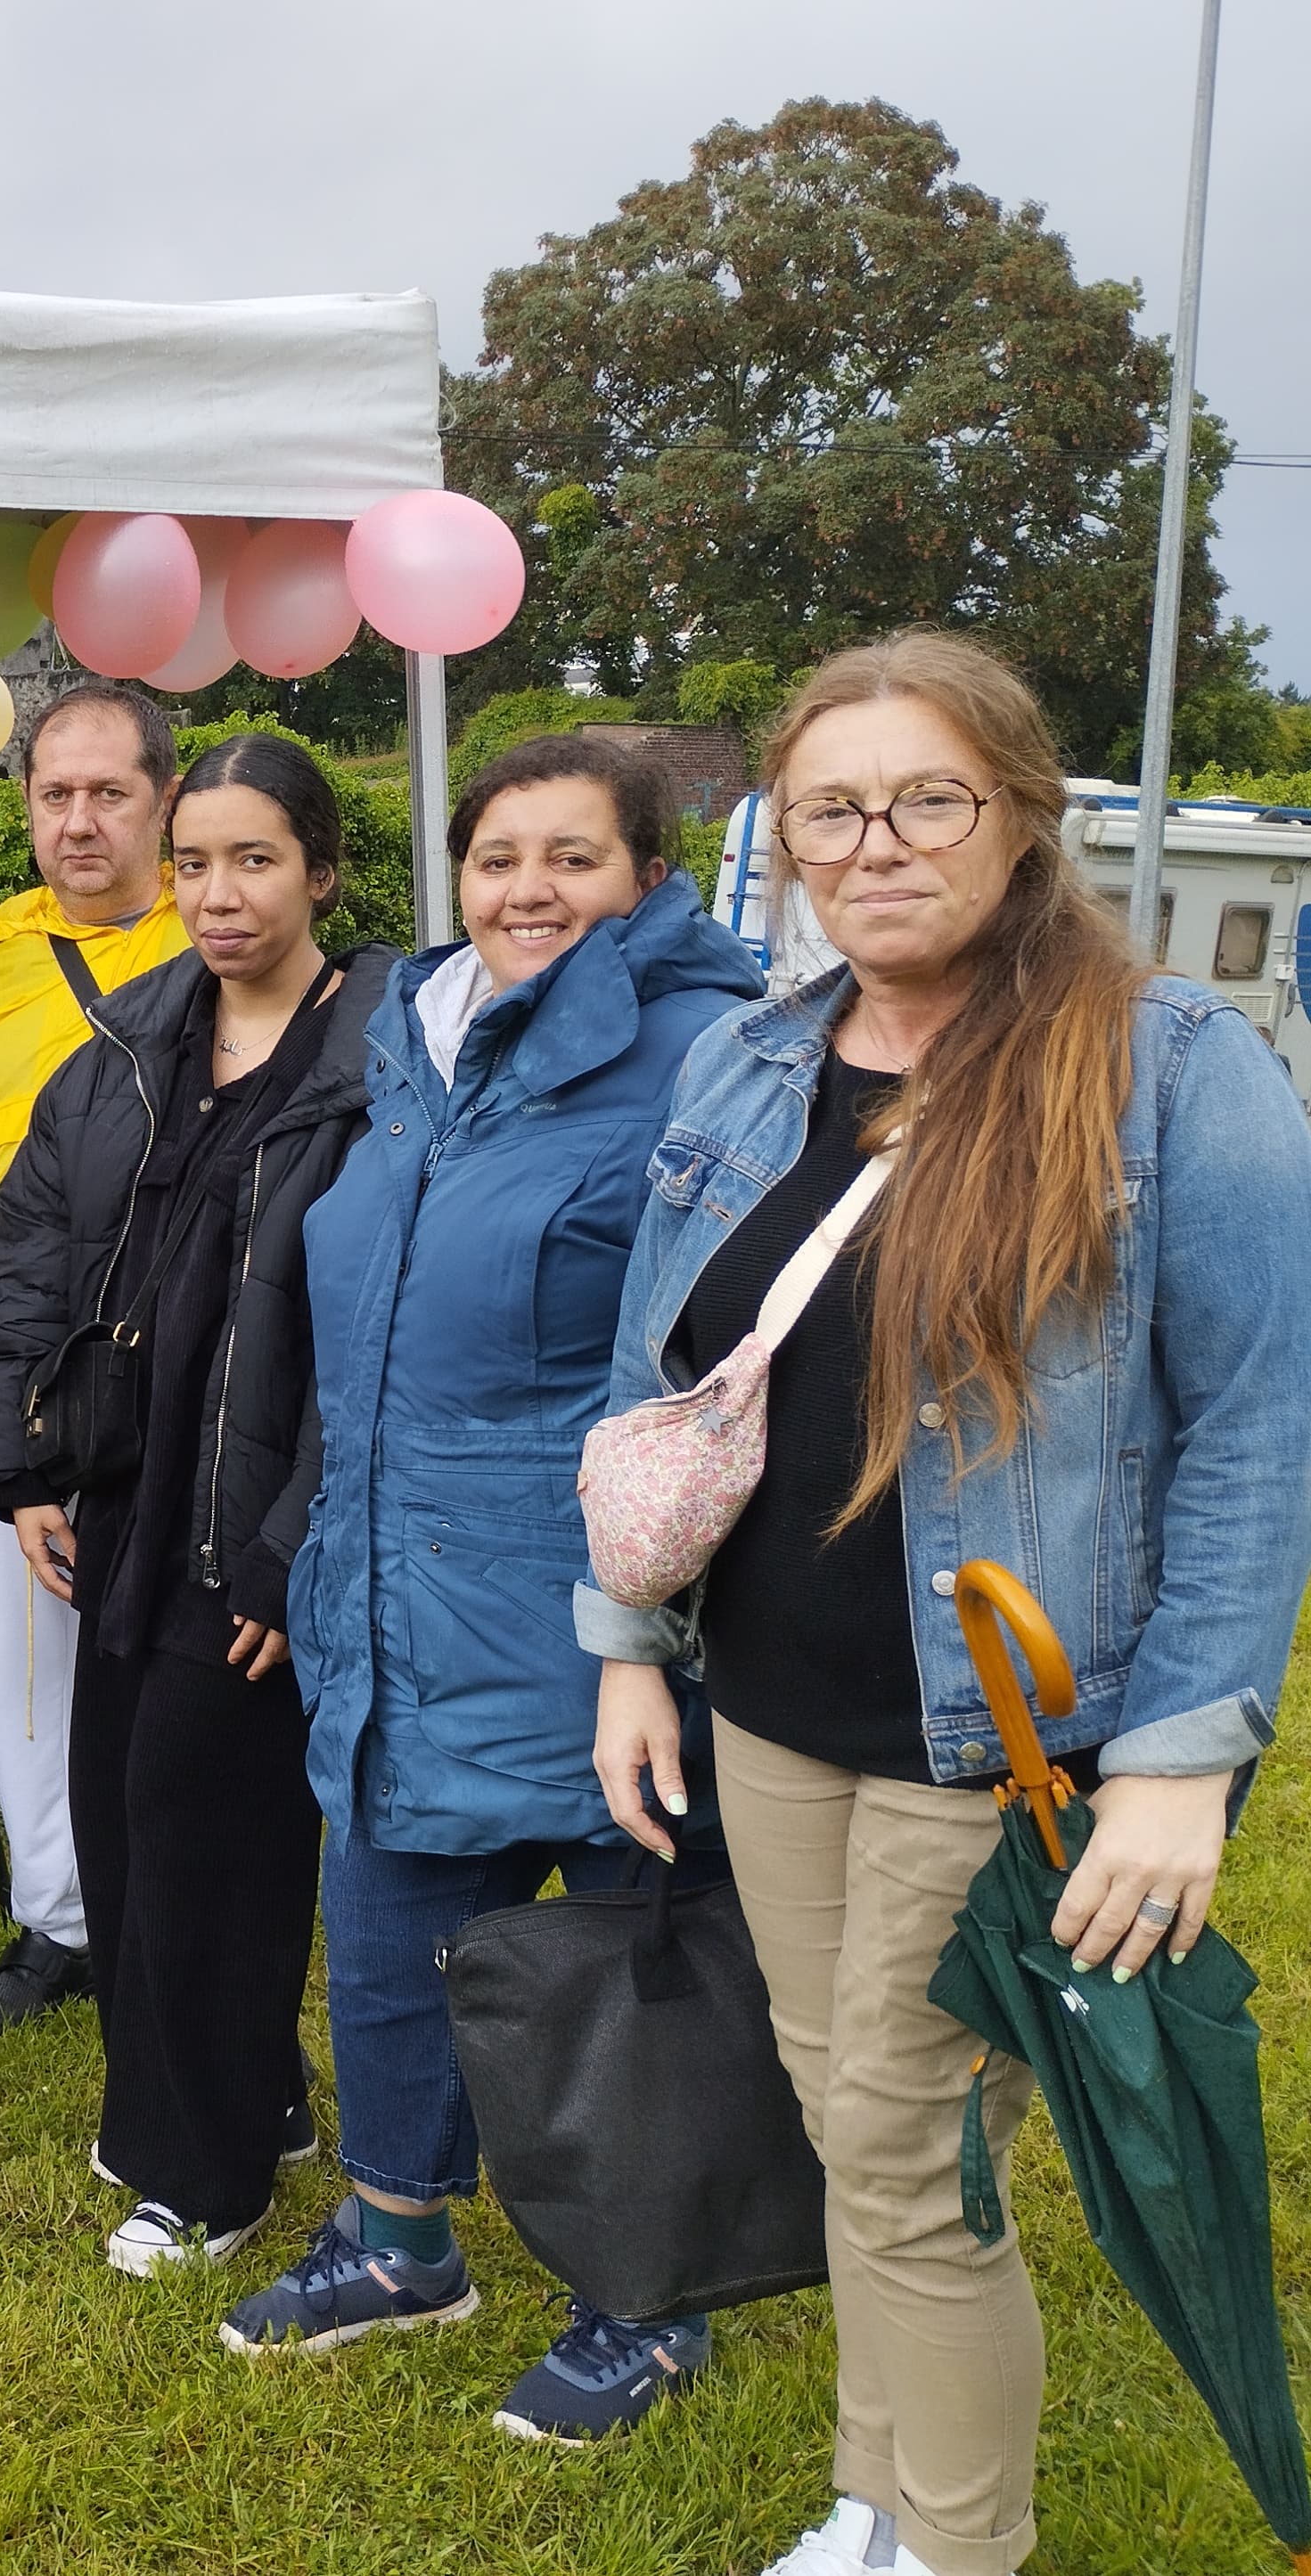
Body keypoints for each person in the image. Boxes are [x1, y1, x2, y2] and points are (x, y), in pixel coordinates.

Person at [584, 634, 1311, 2576]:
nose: (876, 840)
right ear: (787, 837)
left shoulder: (1173, 1070)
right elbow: (664, 1377)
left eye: (927, 798)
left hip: (997, 1733)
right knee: (865, 2125)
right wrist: (628, 1647)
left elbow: (1258, 1429)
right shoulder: (748, 1051)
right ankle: (875, 2500)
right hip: (769, 1700)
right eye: (833, 805)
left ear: (1019, 815)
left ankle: (956, 2544)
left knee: (906, 2152)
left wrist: (1178, 1756)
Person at [221, 733, 764, 2444]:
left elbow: (719, 1364)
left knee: (621, 1960)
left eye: (573, 858)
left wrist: (648, 1617)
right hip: (395, 1586)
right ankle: (398, 2237)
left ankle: (644, 2297)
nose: (528, 889)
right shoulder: (417, 1040)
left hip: (593, 1604)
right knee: (384, 1925)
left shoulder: (708, 1057)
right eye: (497, 856)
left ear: (650, 878)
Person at [0, 733, 396, 2272]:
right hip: (128, 1499)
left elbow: (396, 1332)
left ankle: (197, 2173)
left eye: (255, 860)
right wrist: (18, 1467)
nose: (219, 894)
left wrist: (301, 1547)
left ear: (323, 872)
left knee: (203, 1829)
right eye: (199, 861)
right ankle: (252, 2091)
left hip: (263, 1511)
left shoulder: (385, 1058)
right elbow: (32, 1255)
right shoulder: (134, 1043)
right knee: (120, 1811)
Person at [0, 680, 193, 2044]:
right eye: (54, 793)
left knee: (179, 1674)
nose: (79, 820)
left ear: (165, 799)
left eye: (108, 791)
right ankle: (59, 1920)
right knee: (30, 1673)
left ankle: (175, 1917)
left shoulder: (226, 945)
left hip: (177, 1398)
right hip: (22, 1399)